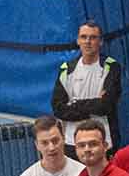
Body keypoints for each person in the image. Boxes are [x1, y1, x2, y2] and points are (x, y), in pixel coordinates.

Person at [51, 21, 122, 159]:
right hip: (72, 142)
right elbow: (58, 108)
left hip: (103, 140)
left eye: (93, 37)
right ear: (78, 41)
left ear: (100, 42)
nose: (88, 41)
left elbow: (106, 106)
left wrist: (75, 104)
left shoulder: (111, 66)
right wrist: (93, 106)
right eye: (83, 37)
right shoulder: (66, 69)